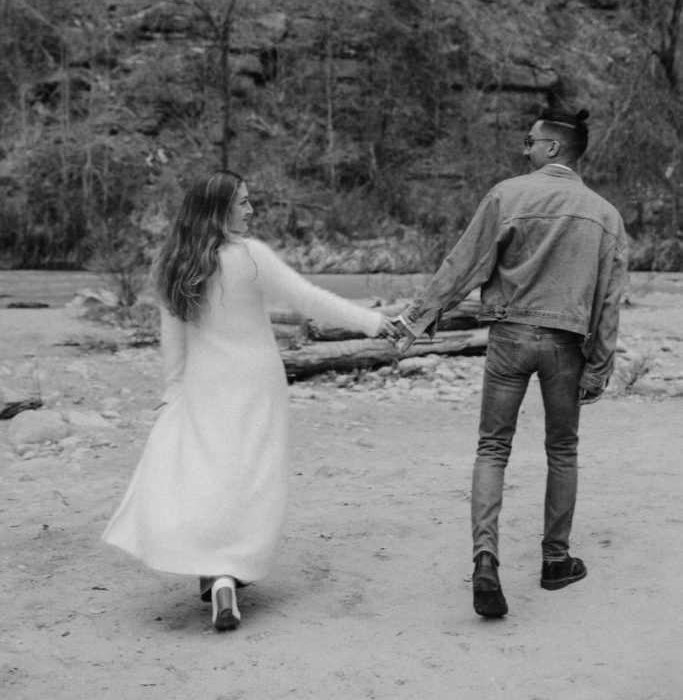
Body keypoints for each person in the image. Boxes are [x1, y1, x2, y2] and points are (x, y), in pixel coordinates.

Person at [102, 170, 398, 631]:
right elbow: (310, 300)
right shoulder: (249, 257)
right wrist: (376, 323)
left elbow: (172, 341)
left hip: (204, 383)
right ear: (218, 209)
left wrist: (172, 390)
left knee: (206, 474)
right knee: (251, 476)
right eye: (242, 202)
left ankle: (215, 572)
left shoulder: (171, 262)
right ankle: (228, 572)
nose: (251, 210)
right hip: (257, 381)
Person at [395, 108, 628, 618]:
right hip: (567, 344)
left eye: (531, 141)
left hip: (509, 335)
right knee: (562, 451)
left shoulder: (507, 194)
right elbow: (610, 301)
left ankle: (485, 561)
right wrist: (600, 366)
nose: (524, 149)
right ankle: (555, 562)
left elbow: (465, 262)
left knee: (493, 448)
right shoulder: (605, 215)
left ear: (553, 148)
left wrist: (419, 318)